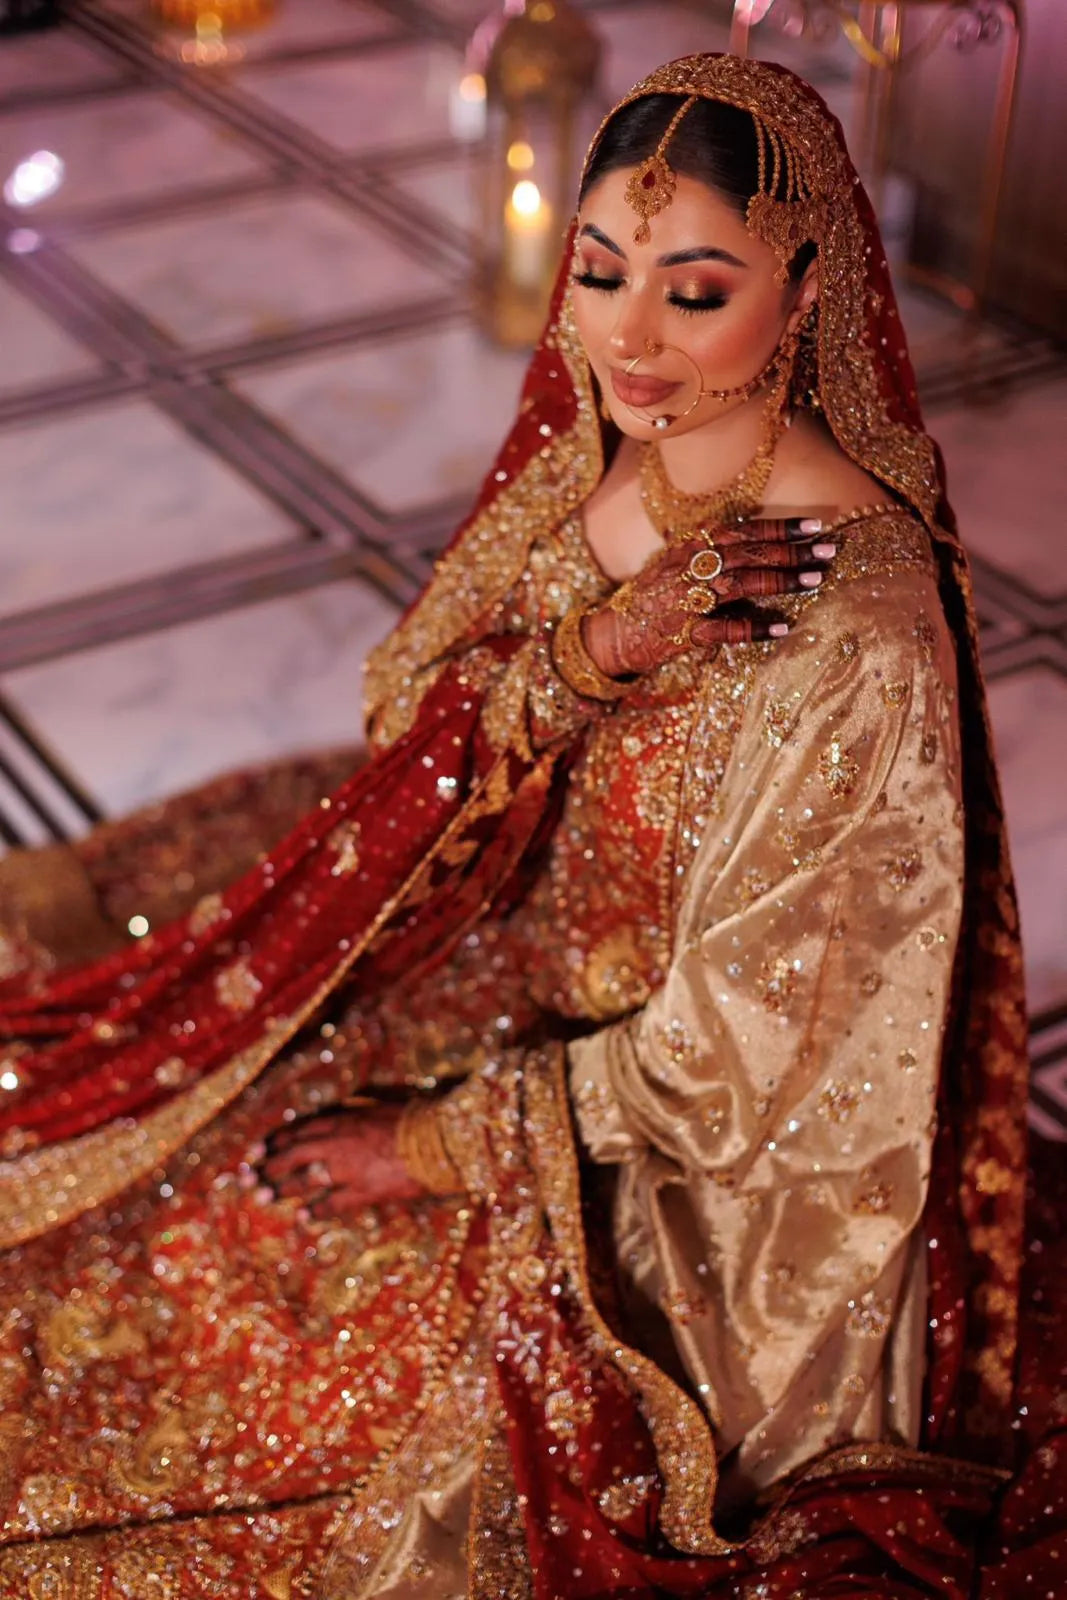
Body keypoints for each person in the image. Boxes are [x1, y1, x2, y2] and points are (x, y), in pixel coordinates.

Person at [0, 52, 1058, 1599]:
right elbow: (405, 689)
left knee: (266, 1353)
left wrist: (425, 1147)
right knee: (170, 1101)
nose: (626, 335)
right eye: (599, 269)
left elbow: (747, 1062)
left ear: (812, 285)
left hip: (702, 1170)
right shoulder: (618, 449)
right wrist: (592, 654)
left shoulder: (852, 637)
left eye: (696, 292)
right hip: (526, 959)